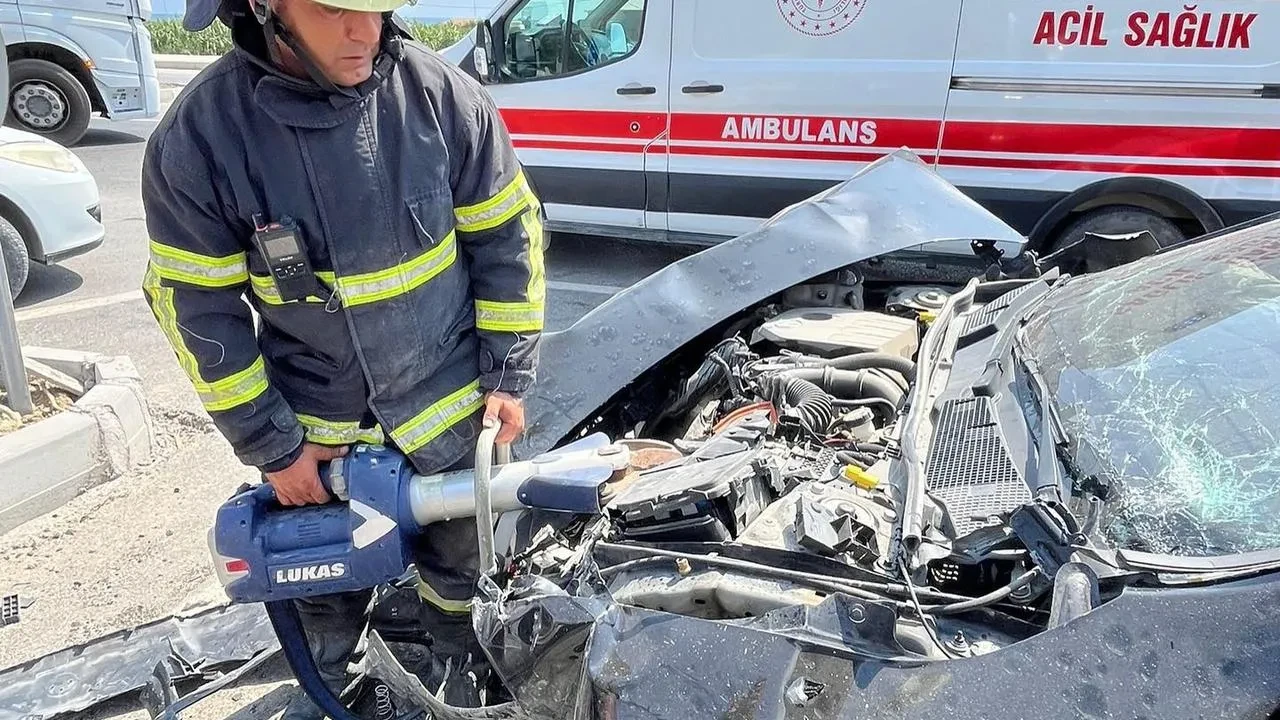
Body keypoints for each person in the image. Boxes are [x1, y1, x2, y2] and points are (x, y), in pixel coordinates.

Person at [139, 0, 546, 716]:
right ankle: (332, 684)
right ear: (267, 8)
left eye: (380, 9)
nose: (366, 32)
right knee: (322, 591)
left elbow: (510, 237)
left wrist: (509, 377)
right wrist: (273, 445)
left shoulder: (443, 100)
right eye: (335, 11)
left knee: (463, 577)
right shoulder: (201, 137)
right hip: (316, 444)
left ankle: (455, 670)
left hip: (452, 418)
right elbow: (197, 312)